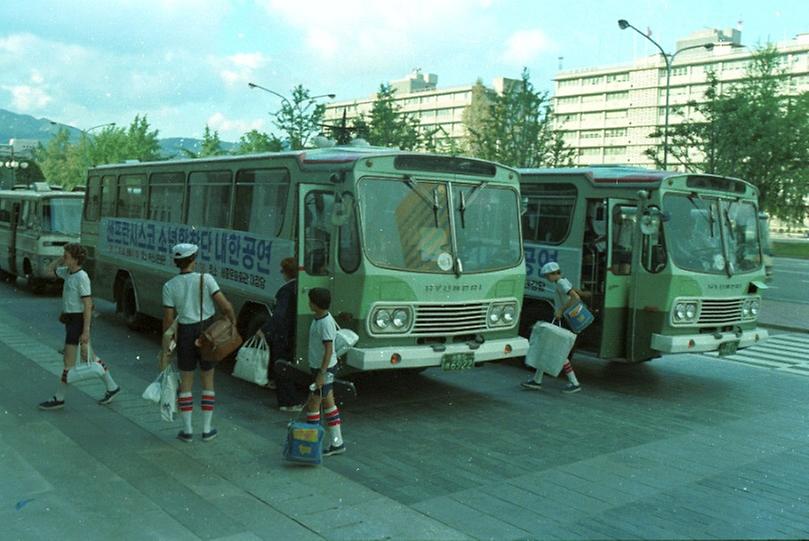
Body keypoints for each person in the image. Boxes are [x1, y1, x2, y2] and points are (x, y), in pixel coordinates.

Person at [162, 243, 236, 443]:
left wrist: (169, 347)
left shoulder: (169, 286)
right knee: (208, 381)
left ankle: (187, 431)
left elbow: (168, 321)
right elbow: (225, 305)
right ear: (194, 259)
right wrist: (231, 320)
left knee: (186, 383)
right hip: (208, 333)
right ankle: (206, 429)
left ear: (176, 262)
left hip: (185, 333)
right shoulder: (206, 279)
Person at [39, 243, 120, 410]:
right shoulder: (67, 272)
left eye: (66, 255)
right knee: (90, 356)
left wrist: (86, 332)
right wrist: (61, 259)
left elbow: (88, 304)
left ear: (75, 259)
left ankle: (59, 398)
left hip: (77, 321)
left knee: (68, 363)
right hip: (70, 321)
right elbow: (47, 271)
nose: (64, 257)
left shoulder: (82, 277)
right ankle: (112, 387)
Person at [521, 261, 582, 394]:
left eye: (548, 276)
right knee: (549, 346)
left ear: (554, 274)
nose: (547, 279)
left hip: (564, 319)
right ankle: (537, 380)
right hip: (565, 319)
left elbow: (575, 297)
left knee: (556, 348)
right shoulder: (563, 281)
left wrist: (560, 310)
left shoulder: (561, 283)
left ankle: (574, 382)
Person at [258, 256, 304, 412]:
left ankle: (287, 402)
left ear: (286, 273)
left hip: (282, 334)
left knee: (282, 368)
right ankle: (288, 400)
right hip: (293, 333)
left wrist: (264, 329)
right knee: (286, 367)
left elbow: (278, 315)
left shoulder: (285, 291)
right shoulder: (300, 287)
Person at [303, 287, 345, 456]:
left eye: (310, 300)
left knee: (313, 406)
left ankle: (310, 446)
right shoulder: (320, 318)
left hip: (324, 369)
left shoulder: (325, 323)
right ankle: (337, 442)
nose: (309, 303)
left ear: (315, 304)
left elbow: (328, 350)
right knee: (329, 404)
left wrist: (321, 373)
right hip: (321, 367)